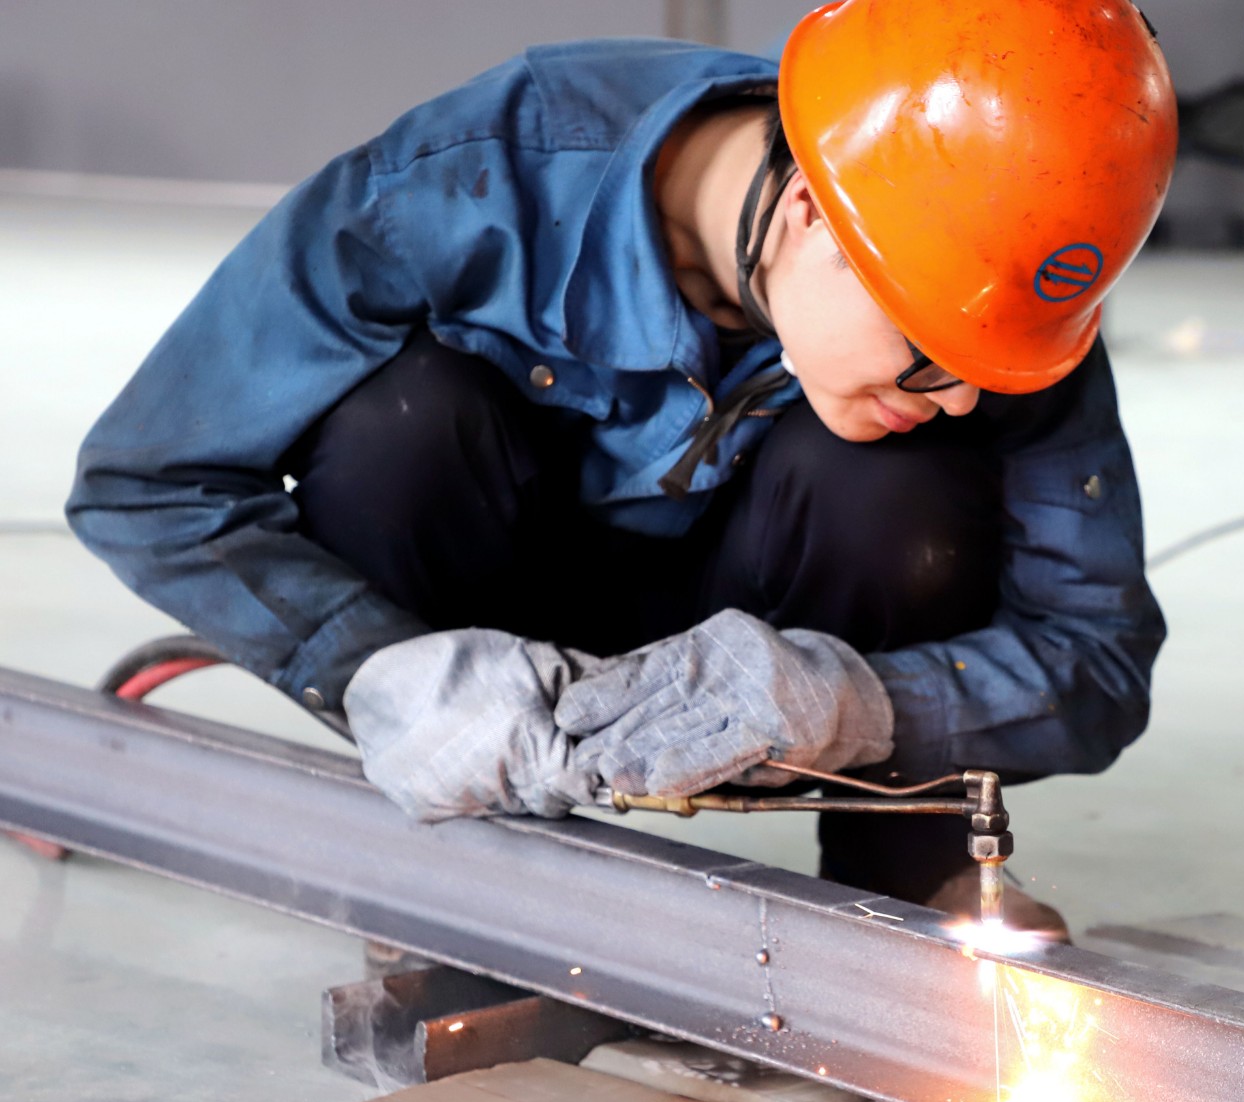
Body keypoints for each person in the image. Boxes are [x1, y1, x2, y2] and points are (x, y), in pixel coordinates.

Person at [66, 0, 1177, 936]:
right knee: (401, 425)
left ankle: (900, 882)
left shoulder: (986, 284)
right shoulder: (461, 185)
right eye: (932, 350)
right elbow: (146, 481)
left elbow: (1096, 656)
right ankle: (468, 877)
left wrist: (854, 706)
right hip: (492, 599)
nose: (968, 389)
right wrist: (370, 663)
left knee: (906, 479)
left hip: (780, 620)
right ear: (809, 212)